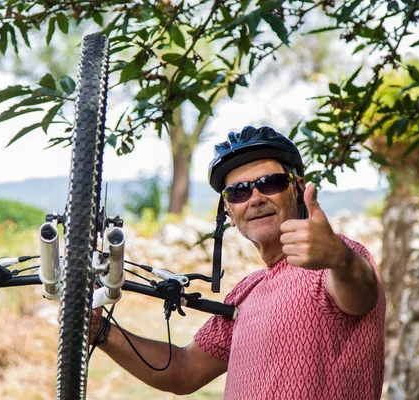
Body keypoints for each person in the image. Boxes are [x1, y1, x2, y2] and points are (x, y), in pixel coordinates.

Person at [90, 126, 385, 399]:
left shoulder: (336, 260)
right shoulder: (247, 292)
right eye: (238, 191)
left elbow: (360, 290)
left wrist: (340, 259)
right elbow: (183, 369)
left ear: (297, 188)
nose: (255, 198)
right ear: (229, 212)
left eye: (271, 183)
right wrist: (101, 332)